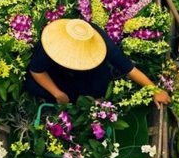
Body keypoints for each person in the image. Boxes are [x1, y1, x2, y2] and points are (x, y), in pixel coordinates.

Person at [26, 18, 171, 108]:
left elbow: (128, 69)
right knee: (34, 85)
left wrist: (154, 90)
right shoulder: (51, 43)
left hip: (88, 72)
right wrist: (57, 94)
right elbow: (36, 70)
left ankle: (89, 101)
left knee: (98, 83)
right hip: (55, 71)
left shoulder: (101, 43)